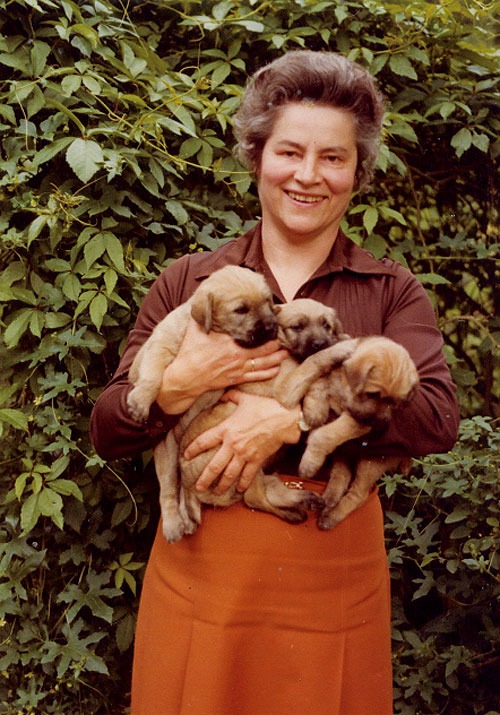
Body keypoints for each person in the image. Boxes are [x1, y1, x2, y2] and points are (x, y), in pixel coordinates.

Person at [90, 51, 459, 715]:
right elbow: (110, 428)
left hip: (330, 572)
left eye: (333, 157)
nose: (308, 175)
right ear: (258, 157)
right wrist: (179, 385)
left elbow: (435, 417)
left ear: (357, 171)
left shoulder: (390, 291)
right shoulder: (192, 282)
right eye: (289, 152)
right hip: (203, 571)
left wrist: (294, 422)